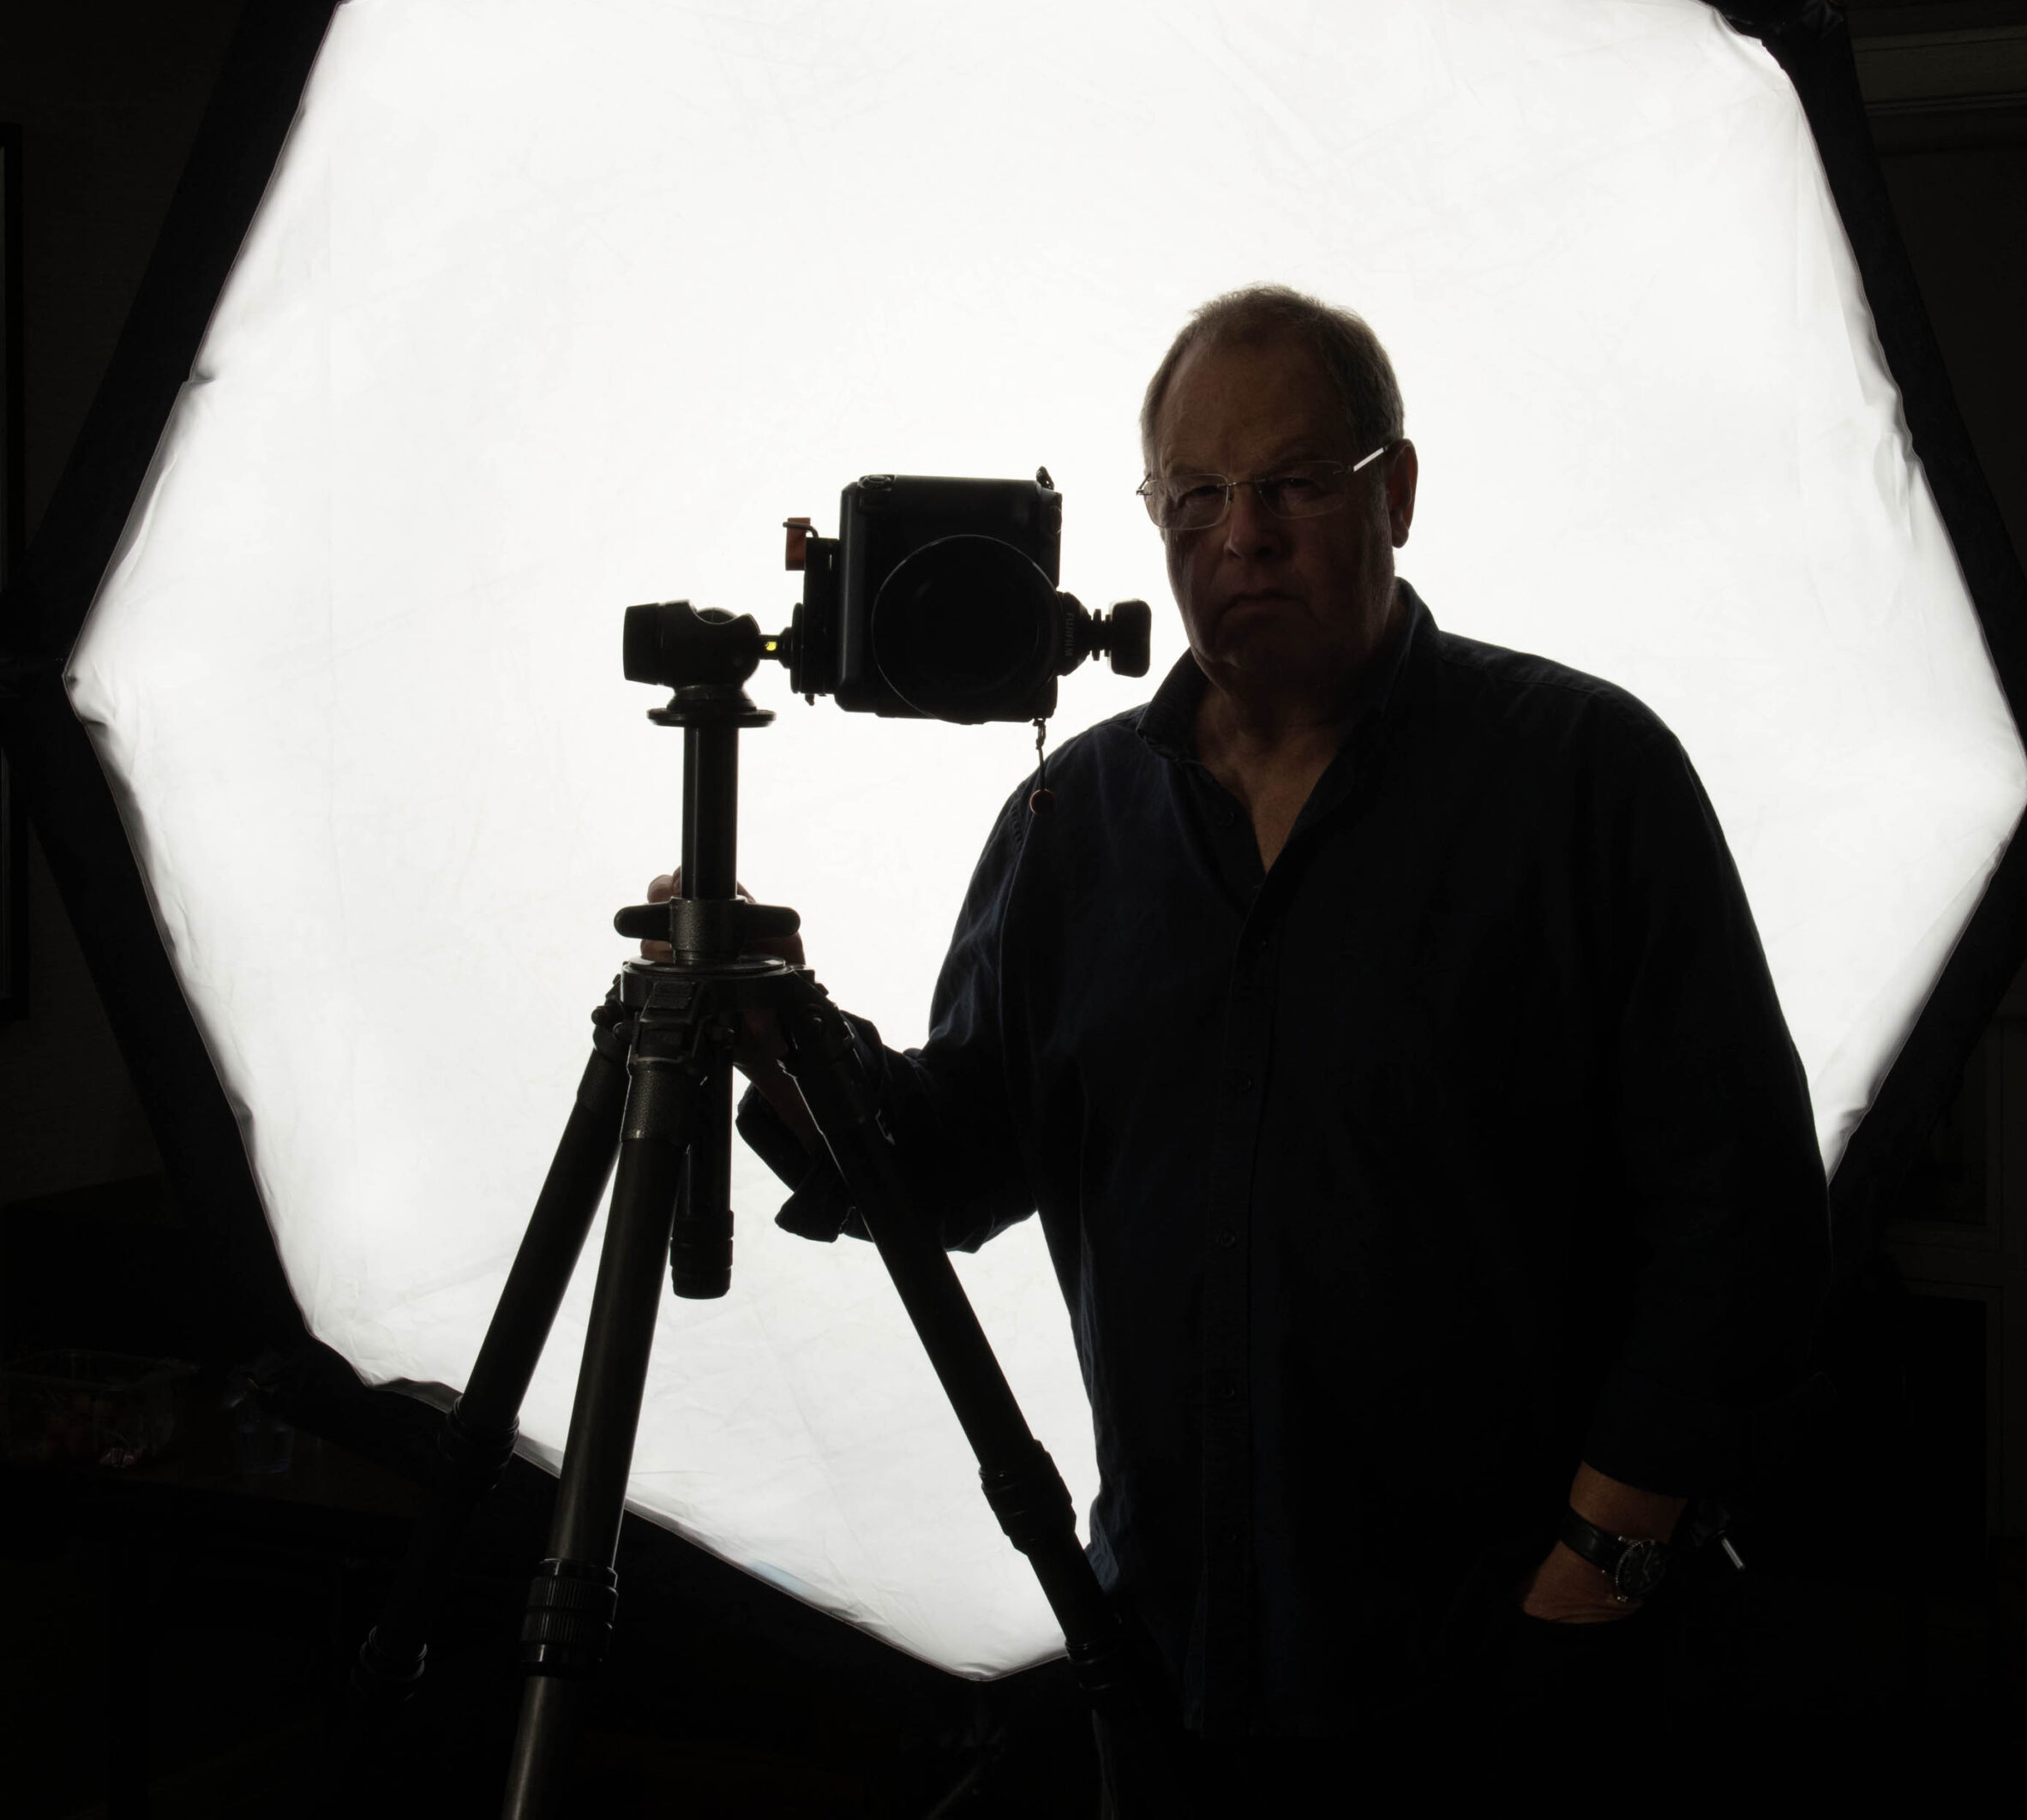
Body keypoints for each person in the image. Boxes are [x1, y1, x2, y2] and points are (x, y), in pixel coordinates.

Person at [658, 285, 1832, 1816]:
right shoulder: (1070, 825)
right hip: (1172, 1651)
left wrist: (1603, 1559)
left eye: (1289, 485)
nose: (1242, 537)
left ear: (1392, 493)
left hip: (1513, 1660)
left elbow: (1735, 1208)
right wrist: (780, 1029)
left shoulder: (1585, 780)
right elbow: (947, 1166)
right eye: (1194, 497)